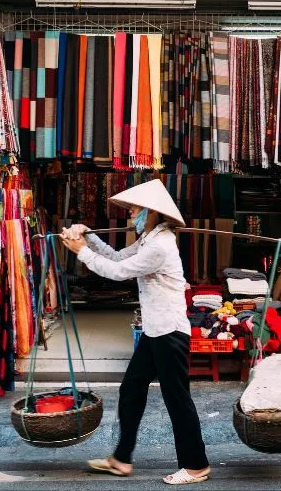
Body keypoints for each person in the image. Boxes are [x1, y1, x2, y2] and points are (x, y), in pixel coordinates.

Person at [61, 179, 211, 486]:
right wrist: (88, 237)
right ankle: (121, 458)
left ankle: (196, 465)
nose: (132, 215)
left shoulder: (159, 244)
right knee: (131, 388)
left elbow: (118, 272)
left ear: (152, 212)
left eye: (136, 210)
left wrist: (82, 252)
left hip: (169, 332)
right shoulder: (148, 239)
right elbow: (117, 257)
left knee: (177, 399)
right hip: (155, 330)